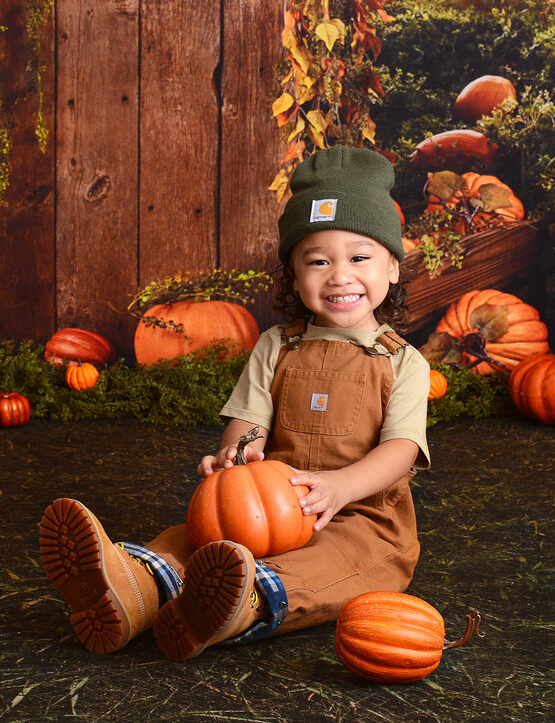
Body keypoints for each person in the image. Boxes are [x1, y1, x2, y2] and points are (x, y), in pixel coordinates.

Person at [38, 145, 431, 660]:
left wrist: (340, 488)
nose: (339, 275)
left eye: (360, 257)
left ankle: (236, 606)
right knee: (197, 538)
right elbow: (249, 421)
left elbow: (401, 447)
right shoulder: (277, 345)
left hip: (361, 518)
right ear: (294, 274)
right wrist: (237, 456)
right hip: (270, 505)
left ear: (394, 269)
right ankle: (129, 585)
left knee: (332, 564)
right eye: (318, 261)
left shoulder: (403, 362)